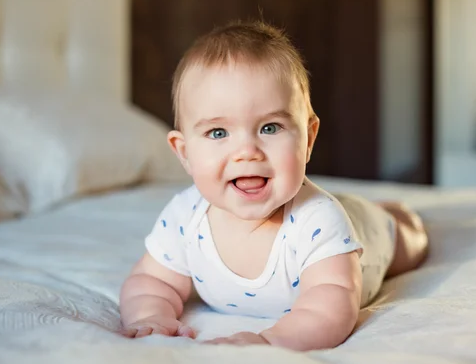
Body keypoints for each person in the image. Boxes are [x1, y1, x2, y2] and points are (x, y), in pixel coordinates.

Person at [119, 20, 428, 351]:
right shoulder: (184, 217)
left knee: (406, 239)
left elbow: (331, 307)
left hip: (368, 234)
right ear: (185, 153)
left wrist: (271, 340)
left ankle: (397, 215)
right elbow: (150, 281)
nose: (247, 153)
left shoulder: (319, 220)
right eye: (218, 133)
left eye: (269, 128)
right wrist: (150, 315)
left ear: (308, 139)